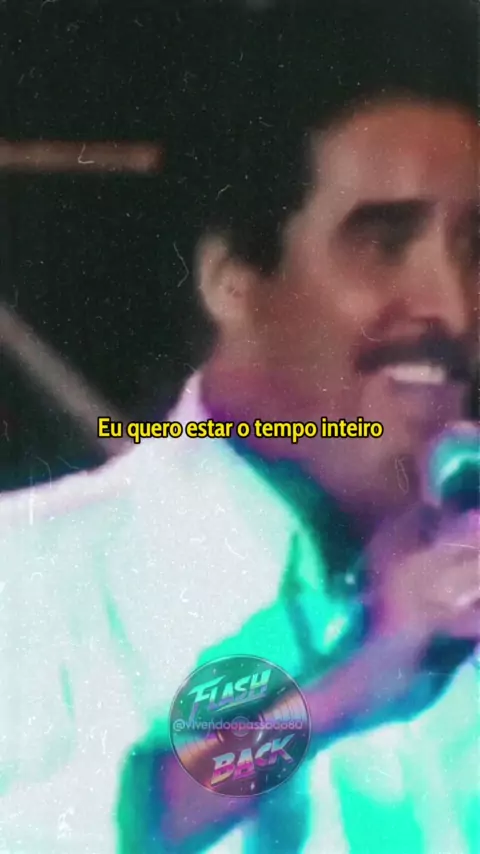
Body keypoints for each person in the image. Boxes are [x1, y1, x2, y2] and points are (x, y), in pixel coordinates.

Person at [0, 1, 478, 852]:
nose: (451, 306)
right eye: (382, 243)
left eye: (475, 249)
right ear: (232, 279)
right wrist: (347, 689)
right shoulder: (33, 579)